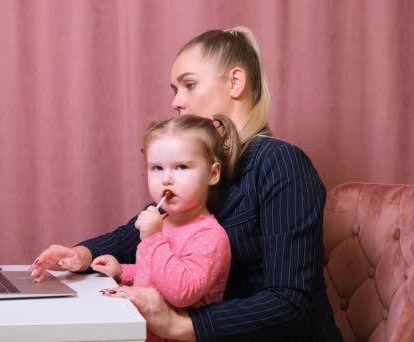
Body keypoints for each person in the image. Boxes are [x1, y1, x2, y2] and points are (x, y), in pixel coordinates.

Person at [30, 26, 343, 341]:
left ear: (235, 82)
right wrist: (81, 254)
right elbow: (138, 232)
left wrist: (179, 325)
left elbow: (289, 301)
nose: (177, 102)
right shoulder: (199, 165)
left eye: (189, 85)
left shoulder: (280, 163)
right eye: (174, 90)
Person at [93, 114, 237, 342]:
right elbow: (153, 272)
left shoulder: (209, 236)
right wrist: (122, 271)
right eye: (157, 168)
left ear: (213, 173)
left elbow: (182, 292)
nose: (166, 179)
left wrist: (152, 239)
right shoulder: (165, 222)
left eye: (181, 167)